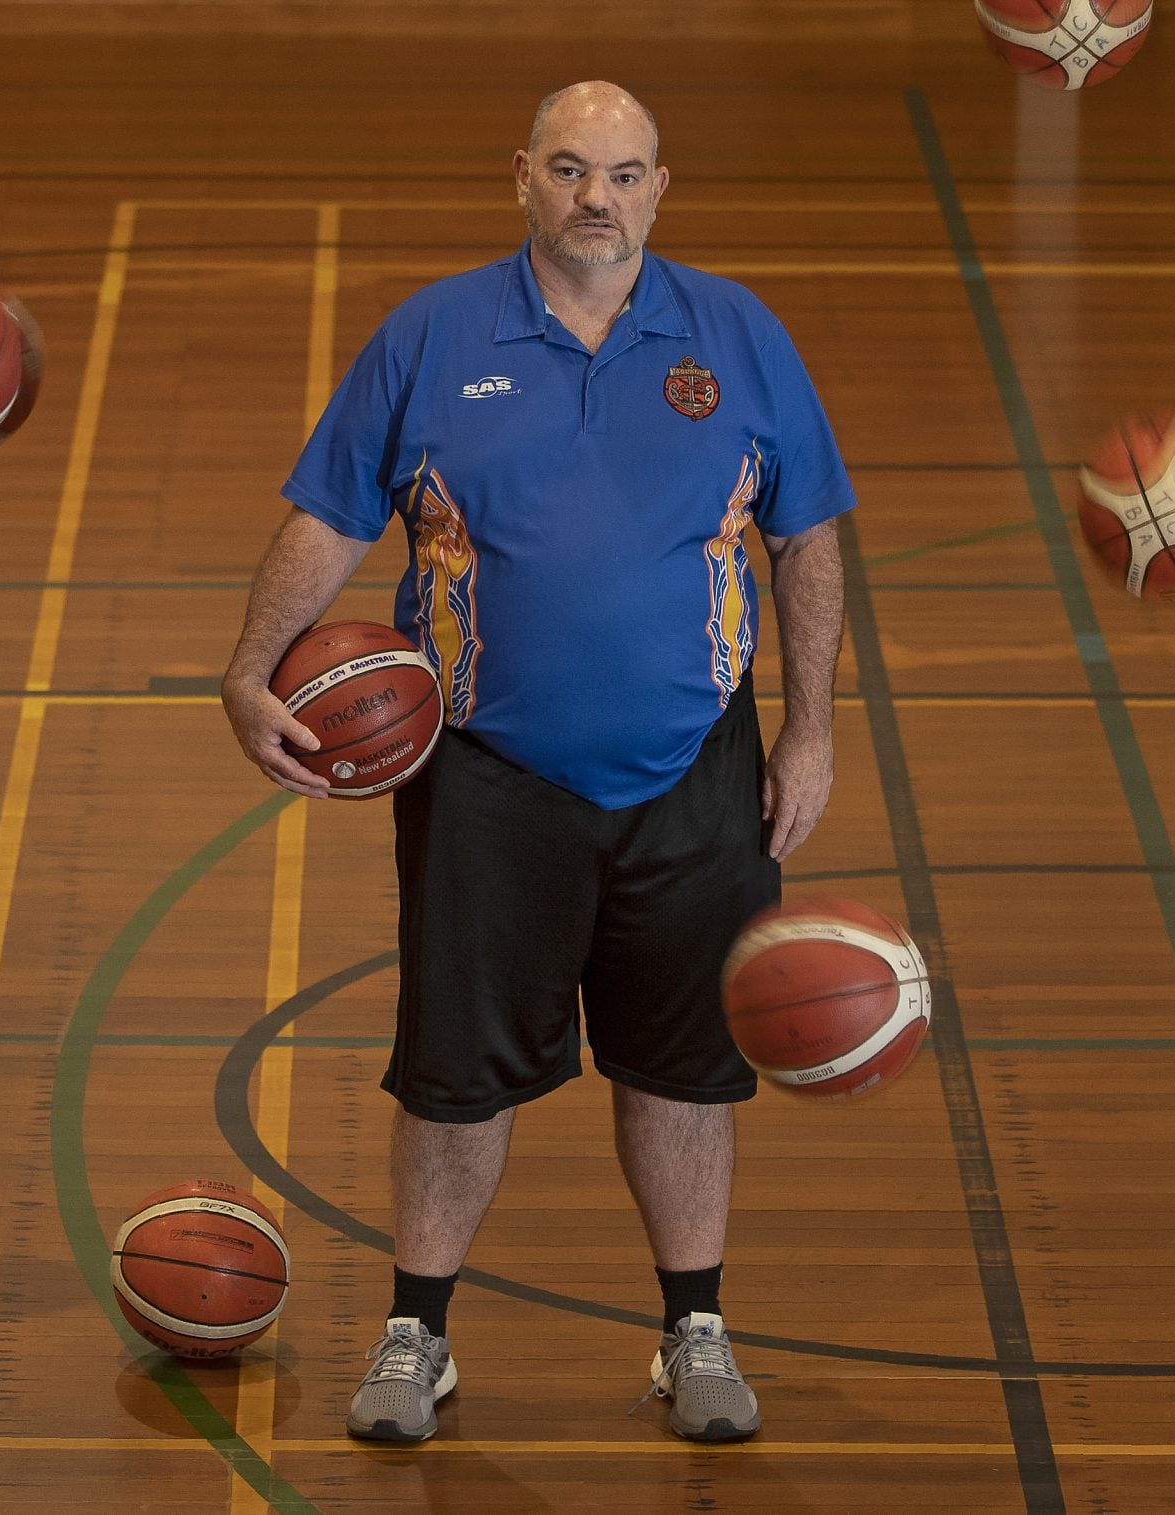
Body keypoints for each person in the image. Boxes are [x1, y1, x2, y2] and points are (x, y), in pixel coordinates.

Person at [221, 79, 853, 1445]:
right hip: (484, 774)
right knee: (453, 1073)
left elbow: (805, 536)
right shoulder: (433, 336)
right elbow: (330, 516)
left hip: (696, 767)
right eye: (570, 171)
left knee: (684, 1072)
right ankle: (416, 1337)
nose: (597, 200)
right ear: (522, 179)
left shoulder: (736, 334)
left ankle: (695, 1329)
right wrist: (246, 662)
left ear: (660, 190)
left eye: (623, 176)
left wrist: (807, 727)